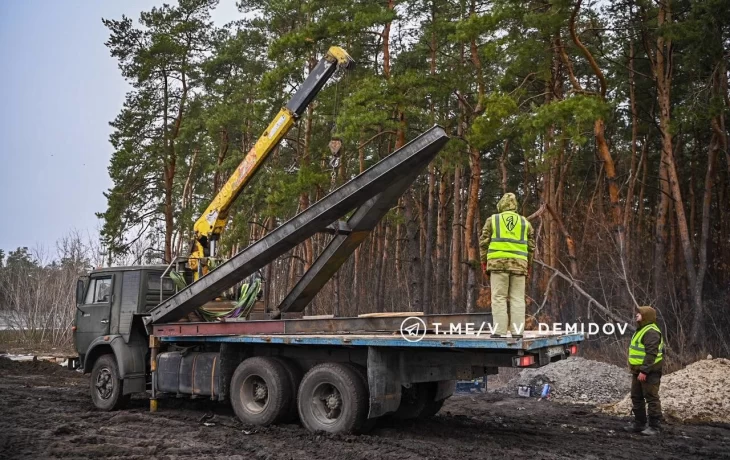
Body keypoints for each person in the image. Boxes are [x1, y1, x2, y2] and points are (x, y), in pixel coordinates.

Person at [479, 192, 535, 338]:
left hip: (498, 265)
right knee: (517, 298)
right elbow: (531, 247)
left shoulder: (493, 220)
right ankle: (517, 333)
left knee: (499, 298)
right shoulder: (525, 223)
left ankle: (499, 331)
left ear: (501, 205)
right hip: (519, 265)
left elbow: (483, 243)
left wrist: (484, 262)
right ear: (515, 206)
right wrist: (528, 265)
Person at [624, 306, 664, 436]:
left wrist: (645, 371)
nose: (636, 315)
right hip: (638, 370)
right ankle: (639, 423)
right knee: (636, 396)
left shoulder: (651, 331)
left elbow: (651, 353)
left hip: (649, 371)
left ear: (646, 316)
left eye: (639, 313)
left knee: (651, 398)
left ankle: (655, 426)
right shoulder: (642, 329)